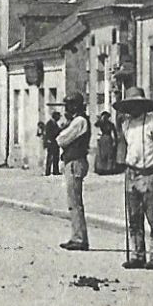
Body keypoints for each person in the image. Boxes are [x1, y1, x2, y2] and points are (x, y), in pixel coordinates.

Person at [117, 86, 153, 270]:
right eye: (131, 105)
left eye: (137, 104)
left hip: (149, 174)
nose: (134, 109)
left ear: (143, 105)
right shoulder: (126, 125)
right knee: (134, 218)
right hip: (132, 174)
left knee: (152, 217)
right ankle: (137, 255)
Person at [56, 94, 93, 251]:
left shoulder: (79, 121)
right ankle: (76, 236)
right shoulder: (78, 121)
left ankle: (79, 238)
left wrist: (63, 128)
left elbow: (62, 139)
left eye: (69, 105)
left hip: (75, 162)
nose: (66, 109)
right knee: (74, 202)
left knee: (75, 203)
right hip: (74, 162)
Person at [42, 111, 62, 176]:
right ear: (55, 116)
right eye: (58, 116)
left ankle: (55, 171)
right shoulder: (50, 123)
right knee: (50, 157)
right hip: (51, 143)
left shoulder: (54, 123)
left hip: (54, 143)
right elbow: (49, 133)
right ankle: (48, 171)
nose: (59, 118)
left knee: (56, 157)